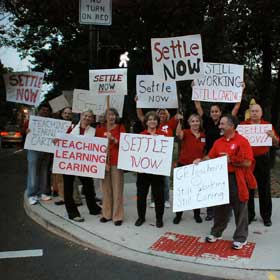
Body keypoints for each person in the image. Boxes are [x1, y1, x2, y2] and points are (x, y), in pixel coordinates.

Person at [194, 115, 256, 250]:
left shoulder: (242, 141)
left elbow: (248, 162)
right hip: (220, 179)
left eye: (222, 124)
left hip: (237, 179)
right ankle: (216, 232)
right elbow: (210, 157)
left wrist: (232, 160)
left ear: (231, 125)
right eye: (220, 124)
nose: (219, 126)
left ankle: (240, 238)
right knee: (220, 208)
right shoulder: (218, 142)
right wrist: (200, 160)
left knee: (240, 209)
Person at [194, 97, 242, 220]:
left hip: (224, 158)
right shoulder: (207, 121)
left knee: (224, 186)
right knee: (210, 185)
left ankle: (227, 211)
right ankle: (210, 212)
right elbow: (198, 107)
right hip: (210, 157)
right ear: (210, 113)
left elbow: (235, 109)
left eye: (216, 111)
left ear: (220, 113)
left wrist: (239, 94)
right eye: (212, 111)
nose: (214, 113)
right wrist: (195, 90)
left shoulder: (225, 122)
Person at [59, 110, 101, 222]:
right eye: (85, 116)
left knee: (89, 186)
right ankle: (72, 213)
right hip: (69, 162)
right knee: (68, 187)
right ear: (81, 116)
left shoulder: (93, 131)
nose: (87, 118)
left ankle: (93, 208)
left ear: (92, 119)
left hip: (84, 164)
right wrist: (56, 140)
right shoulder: (70, 127)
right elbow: (61, 139)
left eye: (90, 117)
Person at [241, 104, 279, 227]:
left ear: (261, 113)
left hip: (263, 159)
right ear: (249, 113)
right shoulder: (243, 126)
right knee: (248, 188)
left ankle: (266, 216)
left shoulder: (267, 126)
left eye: (257, 111)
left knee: (264, 188)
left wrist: (273, 137)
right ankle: (250, 215)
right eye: (252, 111)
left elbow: (276, 143)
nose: (255, 113)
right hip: (247, 161)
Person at [136, 106, 182, 208]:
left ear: (167, 115)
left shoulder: (169, 124)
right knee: (152, 179)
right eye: (160, 113)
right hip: (150, 159)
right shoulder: (149, 127)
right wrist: (138, 104)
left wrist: (179, 116)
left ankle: (165, 199)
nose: (162, 115)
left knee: (164, 180)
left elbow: (178, 121)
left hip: (164, 157)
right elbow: (141, 116)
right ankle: (153, 199)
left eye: (164, 113)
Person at [134, 111, 167, 228]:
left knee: (159, 196)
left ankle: (159, 218)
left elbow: (166, 154)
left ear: (158, 122)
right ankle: (141, 217)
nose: (152, 121)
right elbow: (136, 153)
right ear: (146, 122)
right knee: (141, 195)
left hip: (157, 171)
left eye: (154, 119)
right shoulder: (141, 135)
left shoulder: (163, 136)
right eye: (150, 119)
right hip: (143, 172)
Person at [173, 114, 206, 224]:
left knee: (196, 191)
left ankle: (196, 214)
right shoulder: (185, 132)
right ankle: (178, 215)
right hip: (184, 165)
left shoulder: (203, 135)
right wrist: (179, 122)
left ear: (200, 122)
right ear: (189, 123)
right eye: (193, 121)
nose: (195, 123)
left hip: (197, 167)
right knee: (181, 191)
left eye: (197, 121)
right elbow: (178, 134)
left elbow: (204, 152)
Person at [96, 108, 126, 226]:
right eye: (109, 115)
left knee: (117, 189)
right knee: (106, 189)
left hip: (117, 162)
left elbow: (125, 144)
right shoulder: (99, 129)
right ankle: (106, 214)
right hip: (103, 162)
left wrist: (113, 139)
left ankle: (117, 215)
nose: (111, 117)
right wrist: (102, 162)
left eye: (114, 115)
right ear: (105, 116)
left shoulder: (120, 127)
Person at [52, 107, 82, 207]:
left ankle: (76, 199)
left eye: (69, 113)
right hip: (59, 153)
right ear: (62, 114)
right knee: (60, 177)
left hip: (71, 154)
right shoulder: (56, 125)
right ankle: (62, 197)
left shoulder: (75, 126)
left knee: (72, 178)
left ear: (72, 115)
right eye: (65, 113)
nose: (67, 115)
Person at [25, 103, 53, 205]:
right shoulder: (31, 121)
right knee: (33, 171)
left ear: (49, 112)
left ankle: (43, 192)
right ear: (39, 110)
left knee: (44, 171)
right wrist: (26, 131)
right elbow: (24, 131)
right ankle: (32, 194)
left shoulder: (52, 123)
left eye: (47, 110)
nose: (45, 112)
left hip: (46, 149)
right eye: (43, 110)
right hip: (33, 149)